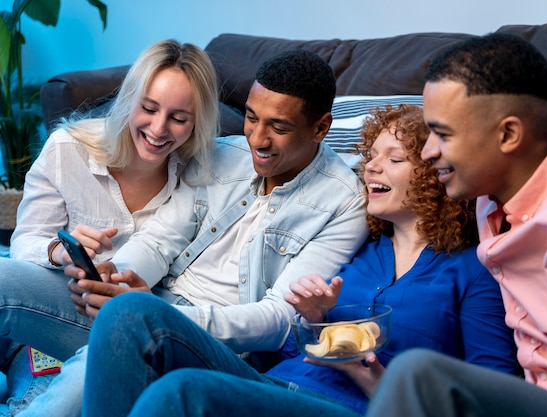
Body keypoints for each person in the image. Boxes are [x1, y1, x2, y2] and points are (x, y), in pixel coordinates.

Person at [80, 104, 519, 417]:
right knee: (131, 312)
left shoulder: (473, 271)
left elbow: (491, 402)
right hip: (277, 385)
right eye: (371, 157)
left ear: (434, 172)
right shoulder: (362, 249)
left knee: (182, 391)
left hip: (352, 406)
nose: (369, 169)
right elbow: (288, 348)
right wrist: (312, 321)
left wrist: (370, 377)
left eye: (394, 159)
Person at [18, 49, 368, 416]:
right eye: (251, 118)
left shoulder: (344, 203)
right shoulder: (223, 153)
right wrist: (117, 278)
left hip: (214, 343)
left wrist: (163, 316)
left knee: (105, 348)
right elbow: (159, 240)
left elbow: (279, 319)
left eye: (278, 128)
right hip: (147, 306)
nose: (257, 139)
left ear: (321, 128)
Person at [365, 33, 547, 417]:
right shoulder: (488, 195)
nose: (427, 152)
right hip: (532, 396)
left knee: (417, 373)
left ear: (508, 134)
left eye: (443, 134)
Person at [0, 39, 220, 415]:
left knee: (62, 395)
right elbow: (24, 245)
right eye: (148, 109)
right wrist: (59, 250)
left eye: (179, 119)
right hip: (53, 310)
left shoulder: (200, 177)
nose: (158, 128)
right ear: (128, 99)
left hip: (127, 327)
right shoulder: (67, 150)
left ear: (198, 122)